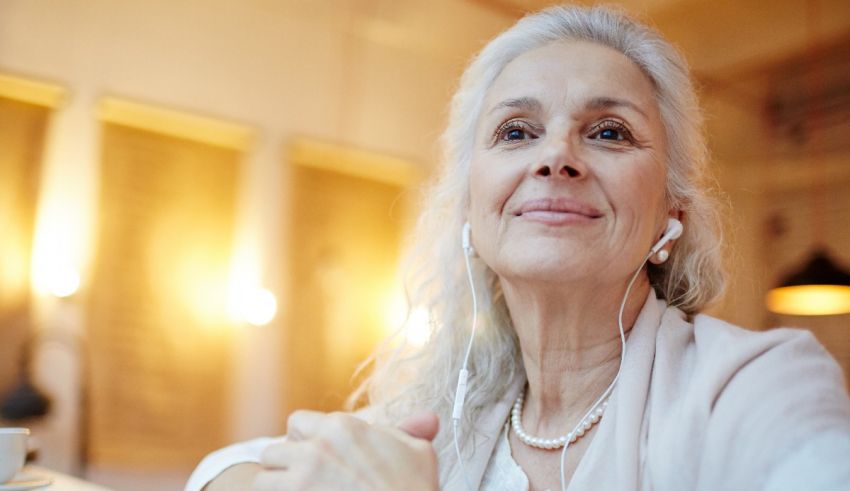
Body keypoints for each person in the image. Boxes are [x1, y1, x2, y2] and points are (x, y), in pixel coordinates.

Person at [186, 5, 850, 491]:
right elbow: (213, 472)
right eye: (516, 131)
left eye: (610, 132)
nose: (557, 156)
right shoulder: (449, 405)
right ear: (472, 205)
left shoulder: (754, 385)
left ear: (670, 211)